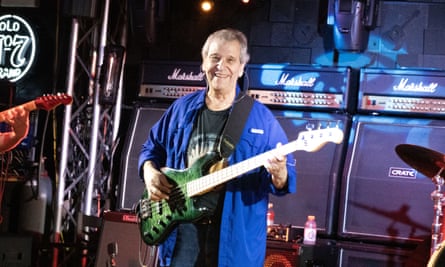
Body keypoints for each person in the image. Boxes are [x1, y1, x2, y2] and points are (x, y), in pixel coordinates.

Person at [138, 28, 297, 267]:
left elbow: (285, 179)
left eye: (230, 60)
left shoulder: (260, 118)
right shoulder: (181, 108)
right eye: (214, 58)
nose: (221, 66)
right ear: (203, 63)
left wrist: (279, 173)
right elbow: (151, 149)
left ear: (242, 67)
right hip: (181, 233)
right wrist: (150, 173)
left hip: (233, 240)